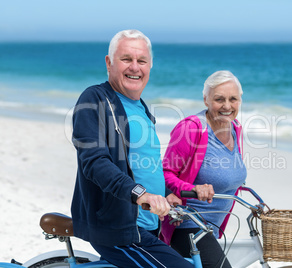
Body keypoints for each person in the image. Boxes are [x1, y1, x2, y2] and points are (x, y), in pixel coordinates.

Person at [70, 29, 193, 268]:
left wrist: (166, 193)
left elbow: (145, 164)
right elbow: (94, 162)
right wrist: (140, 194)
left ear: (149, 67)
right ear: (109, 63)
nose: (135, 67)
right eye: (126, 59)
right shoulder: (94, 99)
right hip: (119, 231)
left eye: (142, 61)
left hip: (148, 226)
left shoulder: (142, 110)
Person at [160, 70, 247, 268]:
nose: (227, 106)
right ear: (206, 99)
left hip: (213, 228)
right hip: (186, 225)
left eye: (233, 99)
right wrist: (193, 189)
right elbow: (165, 173)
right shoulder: (191, 129)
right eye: (219, 99)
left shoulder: (235, 128)